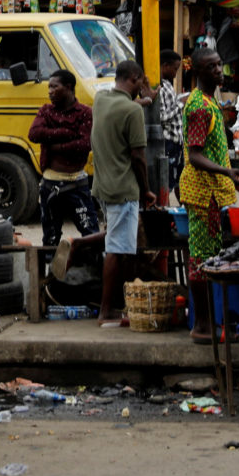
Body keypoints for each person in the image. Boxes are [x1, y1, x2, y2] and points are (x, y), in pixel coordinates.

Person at [178, 48, 239, 344]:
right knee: (201, 261)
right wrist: (227, 172)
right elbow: (195, 155)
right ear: (198, 71)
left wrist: (230, 176)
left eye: (220, 64)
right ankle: (203, 327)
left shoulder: (211, 102)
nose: (220, 70)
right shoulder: (198, 107)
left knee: (207, 258)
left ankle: (209, 324)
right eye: (212, 67)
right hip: (201, 194)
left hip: (212, 192)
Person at [89, 60, 155, 326]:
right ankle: (109, 310)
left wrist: (145, 101)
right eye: (141, 82)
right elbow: (139, 158)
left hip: (103, 187)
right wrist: (147, 191)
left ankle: (118, 306)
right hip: (124, 190)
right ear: (135, 78)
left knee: (118, 246)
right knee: (117, 250)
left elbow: (124, 108)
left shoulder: (100, 99)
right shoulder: (132, 113)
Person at [28, 70, 98, 248]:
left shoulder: (84, 113)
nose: (50, 91)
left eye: (54, 86)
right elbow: (34, 134)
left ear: (68, 88)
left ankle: (93, 270)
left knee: (91, 232)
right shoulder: (46, 111)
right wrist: (66, 133)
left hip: (77, 184)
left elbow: (84, 144)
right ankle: (51, 272)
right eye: (49, 87)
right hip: (50, 184)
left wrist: (54, 145)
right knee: (50, 237)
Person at [158, 50, 186, 193]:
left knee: (178, 180)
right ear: (165, 66)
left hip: (176, 141)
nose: (176, 73)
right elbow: (162, 117)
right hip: (168, 142)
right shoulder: (160, 87)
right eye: (175, 69)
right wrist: (180, 103)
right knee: (167, 182)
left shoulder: (168, 85)